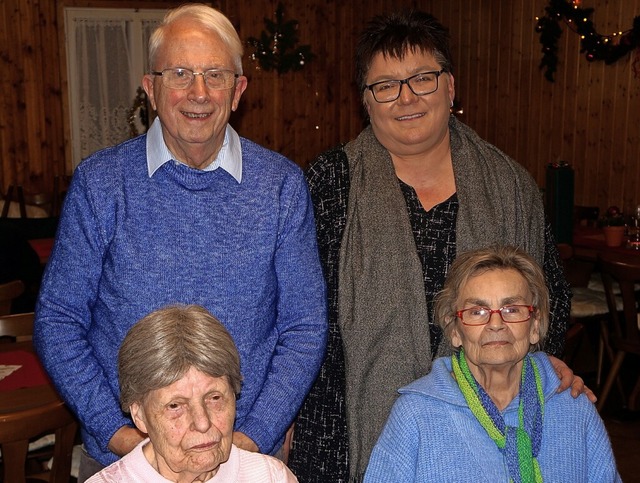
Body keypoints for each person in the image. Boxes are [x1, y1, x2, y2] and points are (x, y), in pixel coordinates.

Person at [33, 4, 327, 481]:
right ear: (151, 88)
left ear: (238, 91)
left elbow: (305, 326)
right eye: (180, 73)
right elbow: (58, 320)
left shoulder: (281, 187)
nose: (199, 92)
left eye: (215, 75)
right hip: (127, 461)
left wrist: (248, 439)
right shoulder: (101, 184)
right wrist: (120, 436)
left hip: (244, 461)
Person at [288, 10, 580, 482]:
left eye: (422, 79)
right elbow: (299, 316)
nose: (406, 98)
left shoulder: (509, 187)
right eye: (385, 85)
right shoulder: (328, 184)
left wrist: (548, 370)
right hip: (345, 433)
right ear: (366, 101)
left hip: (490, 432)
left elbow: (552, 305)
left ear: (449, 87)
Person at [364, 246, 620, 482]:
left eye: (512, 309)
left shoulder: (573, 406)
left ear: (535, 325)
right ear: (455, 330)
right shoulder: (415, 414)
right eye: (477, 312)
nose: (495, 324)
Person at [87, 305, 298, 482]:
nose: (202, 423)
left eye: (215, 398)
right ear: (139, 415)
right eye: (175, 406)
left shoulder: (270, 477)